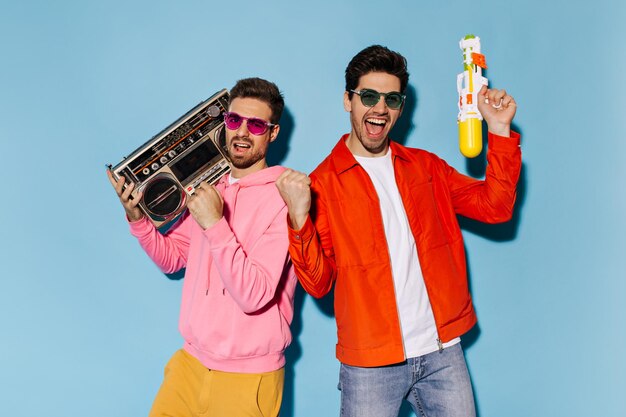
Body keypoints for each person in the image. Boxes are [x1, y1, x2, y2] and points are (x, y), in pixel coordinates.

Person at [275, 45, 521, 417]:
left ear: (400, 107)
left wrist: (499, 131)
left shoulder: (426, 168)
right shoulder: (320, 185)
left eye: (391, 99)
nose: (380, 108)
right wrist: (298, 219)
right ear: (348, 100)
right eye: (368, 96)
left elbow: (496, 207)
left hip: (441, 352)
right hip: (370, 363)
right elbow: (318, 283)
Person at [107, 77, 297, 417]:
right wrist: (137, 217)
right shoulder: (209, 187)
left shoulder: (284, 198)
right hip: (189, 364)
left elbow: (254, 294)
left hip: (248, 376)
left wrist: (214, 223)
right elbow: (173, 259)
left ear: (273, 133)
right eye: (234, 120)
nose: (241, 132)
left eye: (256, 125)